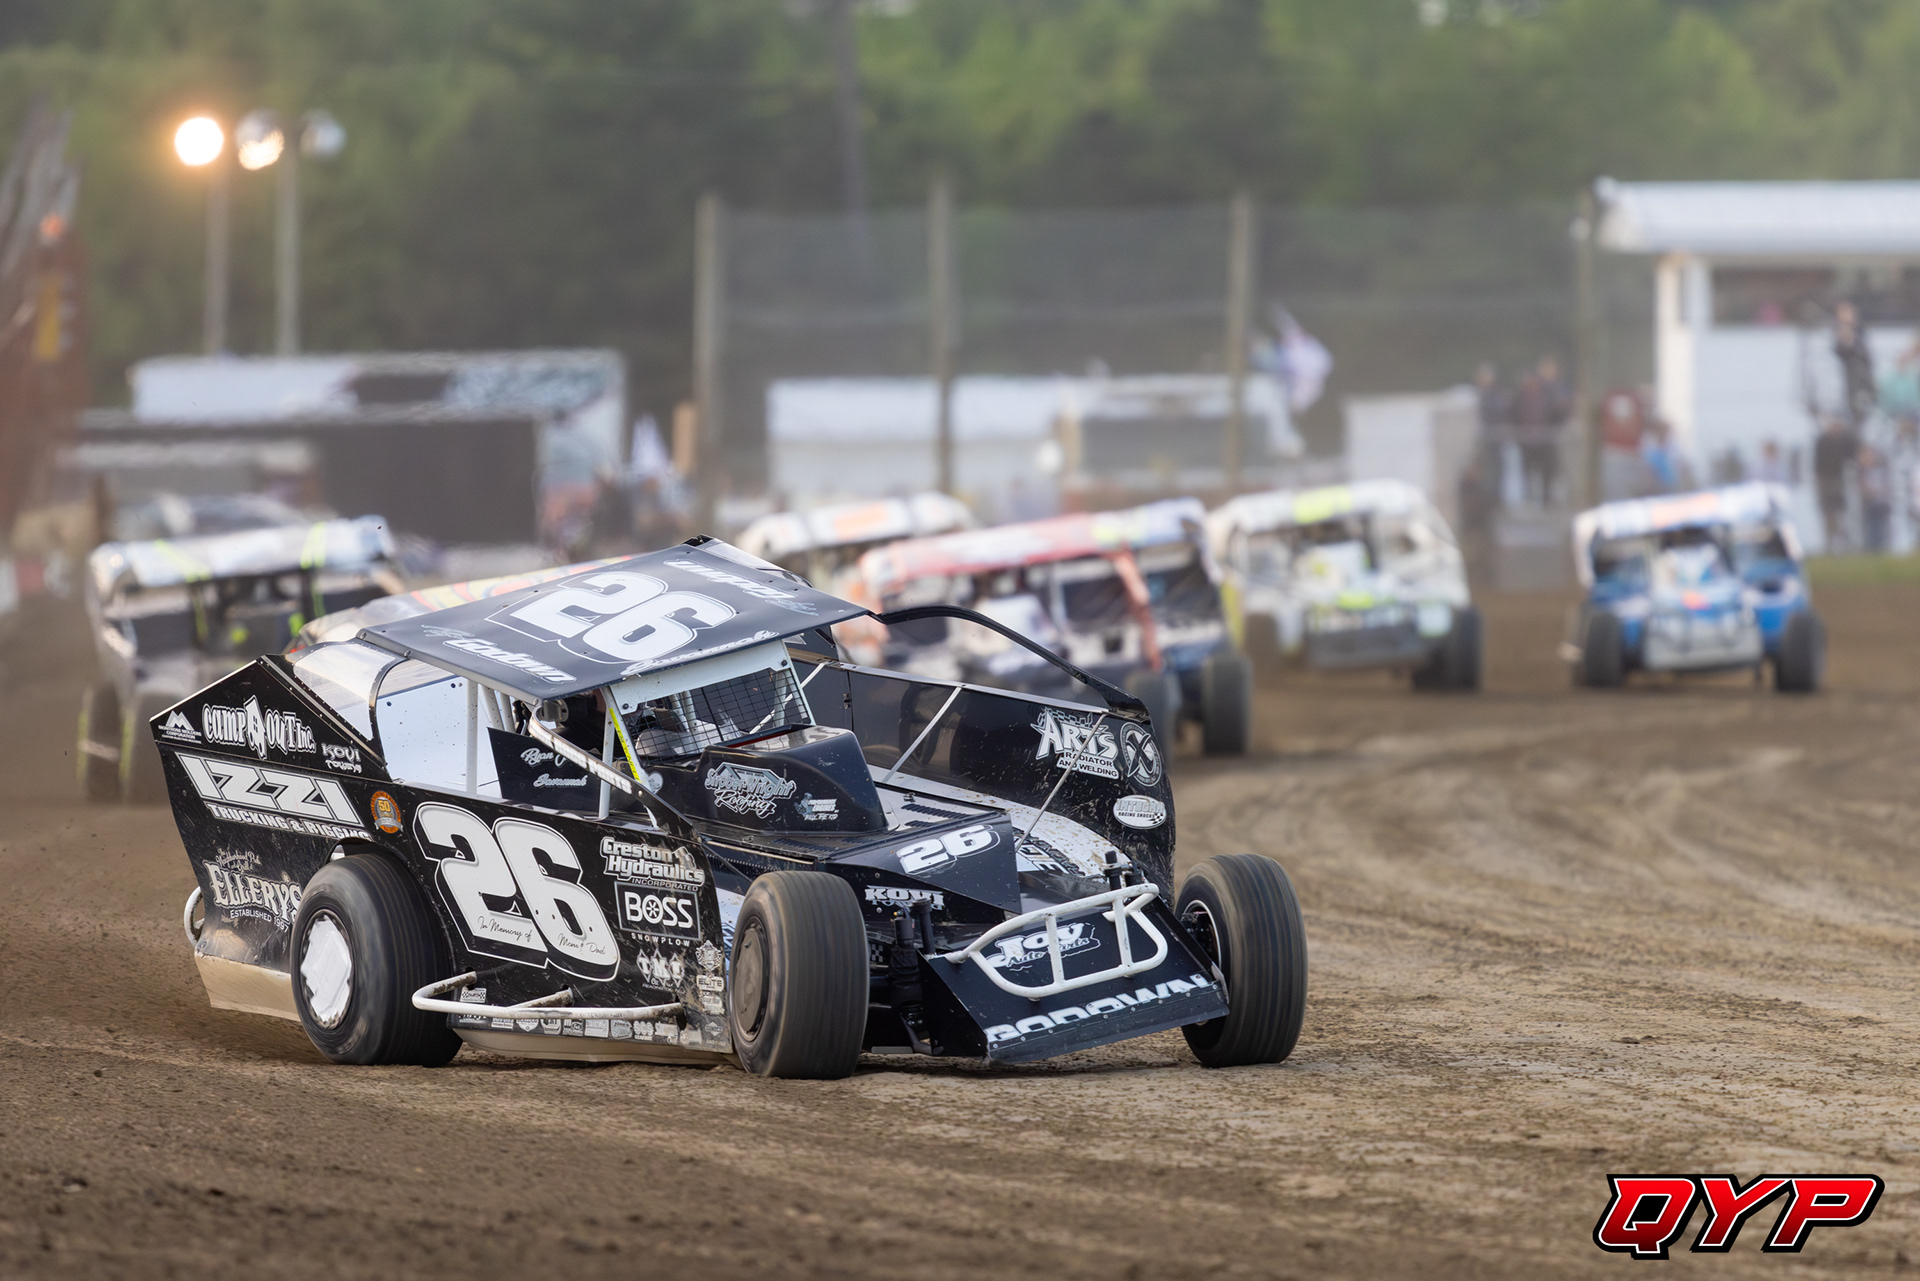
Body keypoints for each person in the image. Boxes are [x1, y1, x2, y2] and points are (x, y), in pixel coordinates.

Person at [1510, 355, 1569, 505]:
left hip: (1545, 440)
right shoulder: (1520, 397)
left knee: (1547, 471)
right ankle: (1529, 498)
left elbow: (1557, 413)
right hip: (1527, 440)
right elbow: (1513, 414)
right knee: (1527, 472)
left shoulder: (1548, 394)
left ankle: (1546, 498)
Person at [1812, 416, 1860, 551]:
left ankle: (1845, 543)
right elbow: (1816, 463)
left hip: (1841, 480)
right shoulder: (1822, 440)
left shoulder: (1846, 440)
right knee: (1828, 513)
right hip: (1825, 481)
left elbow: (1852, 459)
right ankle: (1829, 544)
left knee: (1842, 513)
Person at [1833, 302, 1877, 428]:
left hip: (1864, 378)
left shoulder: (1860, 330)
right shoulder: (1839, 331)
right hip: (1852, 381)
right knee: (1856, 411)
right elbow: (1842, 351)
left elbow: (1866, 356)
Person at [1858, 444, 1893, 553]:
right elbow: (1862, 488)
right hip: (1869, 507)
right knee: (1871, 530)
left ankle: (1882, 550)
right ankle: (1871, 551)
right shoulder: (1861, 472)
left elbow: (1888, 487)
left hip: (1882, 506)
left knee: (1882, 529)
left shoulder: (1882, 471)